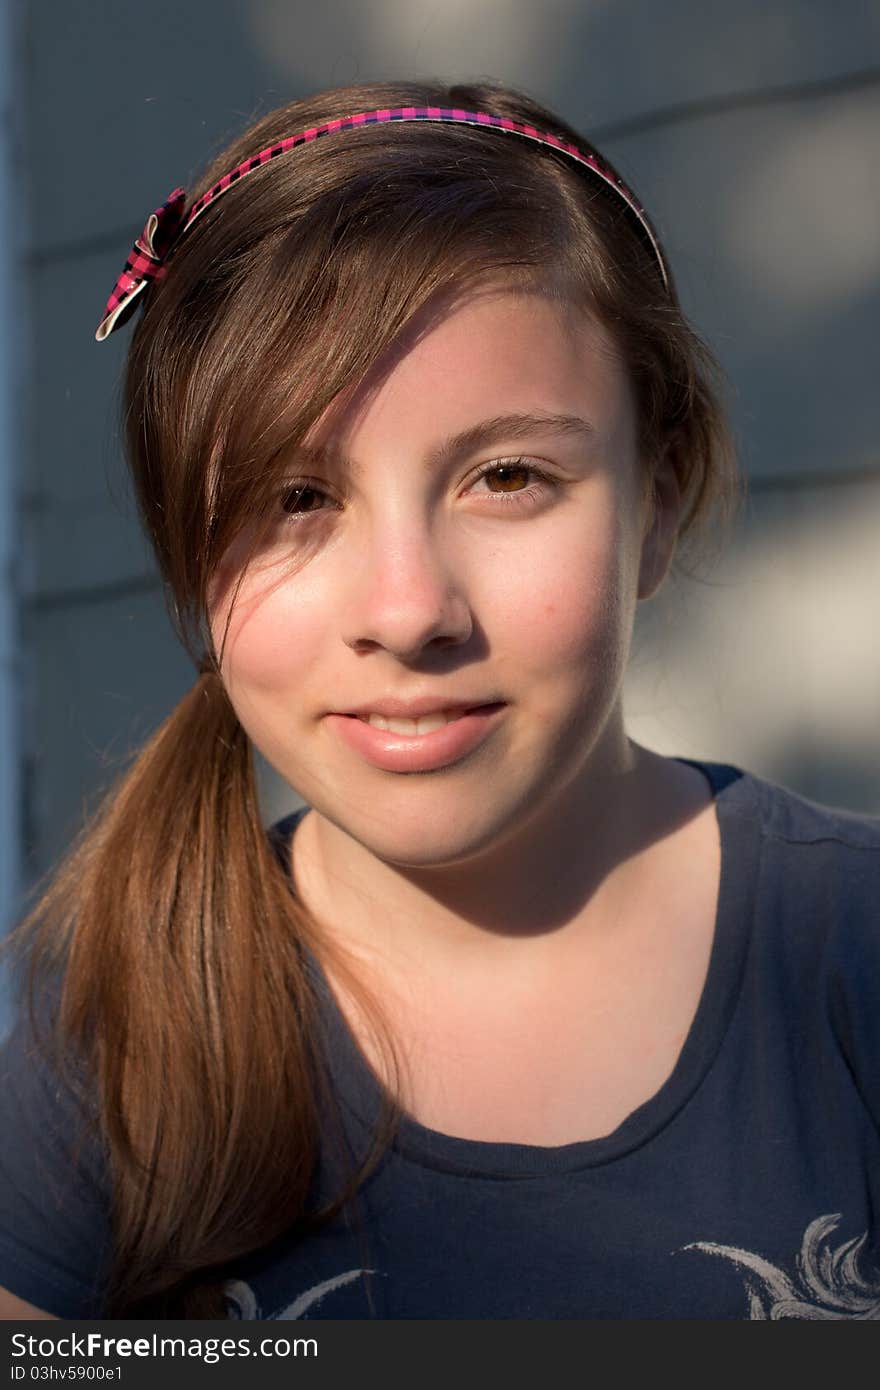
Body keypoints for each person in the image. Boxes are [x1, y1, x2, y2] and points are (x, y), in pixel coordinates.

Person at [1, 77, 878, 1323]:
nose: (408, 610)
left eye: (506, 474)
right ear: (190, 563)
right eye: (295, 498)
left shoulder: (851, 955)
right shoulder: (114, 1052)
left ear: (658, 500)